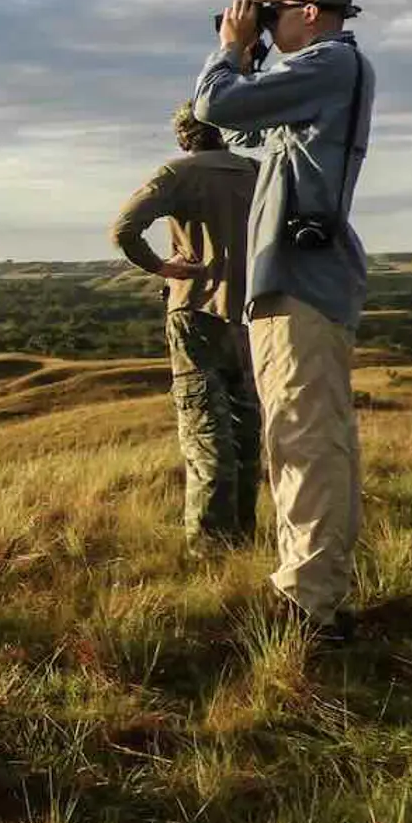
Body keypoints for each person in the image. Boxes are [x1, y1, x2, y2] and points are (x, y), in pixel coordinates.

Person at [194, 0, 373, 636]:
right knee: (305, 436)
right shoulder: (319, 79)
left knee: (305, 439)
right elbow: (239, 132)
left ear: (307, 10)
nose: (265, 24)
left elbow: (214, 105)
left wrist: (233, 51)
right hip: (295, 279)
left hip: (302, 278)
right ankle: (312, 587)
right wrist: (256, 54)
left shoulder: (331, 63)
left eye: (274, 14)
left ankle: (310, 603)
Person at [112, 103, 261, 551]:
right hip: (252, 316)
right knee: (245, 435)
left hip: (195, 313)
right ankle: (244, 542)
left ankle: (210, 551)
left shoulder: (177, 173)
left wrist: (163, 267)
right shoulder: (255, 172)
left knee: (205, 435)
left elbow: (123, 229)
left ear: (183, 136)